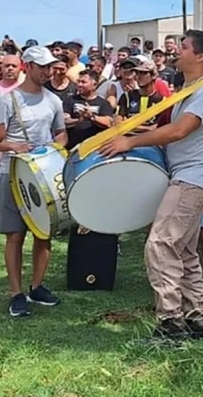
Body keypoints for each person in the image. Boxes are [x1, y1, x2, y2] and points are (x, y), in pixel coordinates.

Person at [100, 29, 203, 341]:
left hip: (191, 179)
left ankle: (171, 323)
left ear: (199, 56)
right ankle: (195, 321)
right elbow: (165, 127)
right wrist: (127, 130)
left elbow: (179, 131)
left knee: (160, 245)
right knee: (182, 251)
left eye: (183, 47)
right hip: (188, 177)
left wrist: (130, 143)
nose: (176, 51)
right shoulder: (191, 89)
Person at [0, 46, 68, 317]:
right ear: (27, 66)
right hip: (11, 174)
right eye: (42, 67)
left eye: (50, 66)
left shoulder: (53, 100)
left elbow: (62, 134)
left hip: (43, 174)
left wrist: (54, 146)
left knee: (44, 233)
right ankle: (17, 293)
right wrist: (13, 147)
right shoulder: (8, 100)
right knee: (15, 235)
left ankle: (37, 286)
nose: (47, 71)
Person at [62, 69, 114, 150]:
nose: (79, 85)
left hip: (95, 148)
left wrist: (92, 117)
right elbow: (65, 120)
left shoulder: (103, 103)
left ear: (94, 85)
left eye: (83, 82)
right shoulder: (70, 100)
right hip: (72, 147)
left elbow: (109, 122)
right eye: (78, 81)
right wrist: (79, 120)